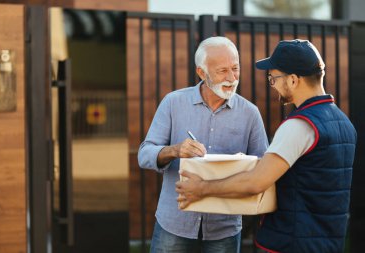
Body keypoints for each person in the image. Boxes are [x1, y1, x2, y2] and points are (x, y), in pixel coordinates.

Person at [176, 39, 357, 253]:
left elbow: (256, 182)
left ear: (292, 80)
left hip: (291, 243)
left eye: (274, 78)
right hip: (328, 242)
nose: (273, 85)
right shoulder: (344, 123)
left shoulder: (299, 126)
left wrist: (201, 189)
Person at [138, 36, 268, 253]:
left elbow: (263, 168)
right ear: (201, 73)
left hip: (224, 228)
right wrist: (175, 150)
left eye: (235, 69)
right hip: (174, 223)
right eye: (222, 71)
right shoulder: (173, 103)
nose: (232, 78)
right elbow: (144, 154)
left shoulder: (250, 114)